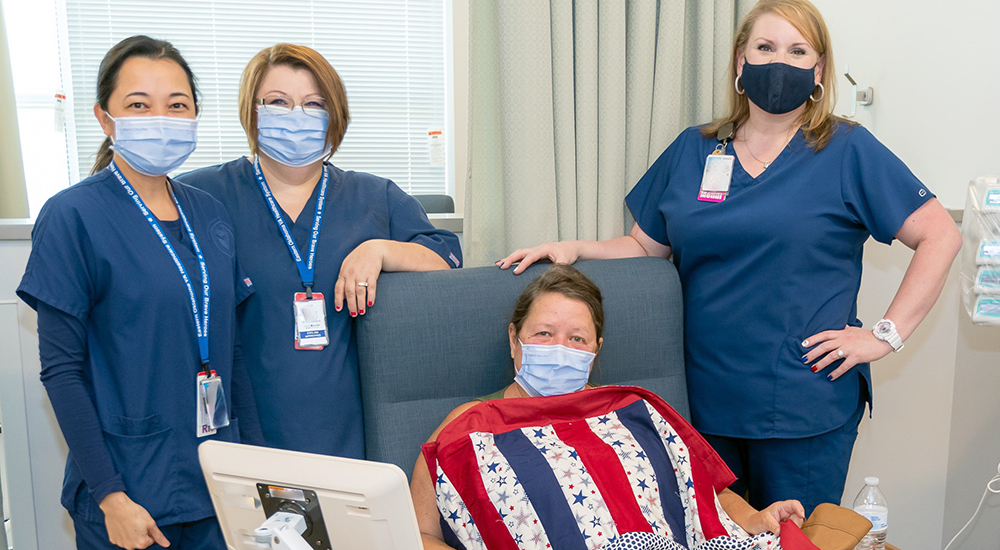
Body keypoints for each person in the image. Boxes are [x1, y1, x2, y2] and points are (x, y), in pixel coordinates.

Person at [497, 0, 962, 516]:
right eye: (764, 48)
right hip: (704, 402)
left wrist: (884, 335)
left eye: (796, 49)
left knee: (793, 540)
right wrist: (576, 249)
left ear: (819, 68)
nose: (778, 61)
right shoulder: (696, 150)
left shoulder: (847, 150)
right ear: (741, 63)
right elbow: (646, 247)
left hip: (803, 404)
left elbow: (941, 234)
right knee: (712, 537)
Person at [17, 36, 256, 550]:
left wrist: (254, 469)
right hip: (129, 492)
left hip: (216, 483)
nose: (161, 119)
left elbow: (231, 351)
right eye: (139, 105)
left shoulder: (210, 214)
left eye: (177, 105)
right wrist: (110, 497)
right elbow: (62, 370)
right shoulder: (73, 216)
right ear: (106, 119)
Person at [176, 44, 462, 459]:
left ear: (334, 116)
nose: (296, 117)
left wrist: (380, 250)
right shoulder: (204, 194)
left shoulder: (371, 196)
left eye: (313, 104)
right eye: (278, 102)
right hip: (243, 428)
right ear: (251, 110)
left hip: (344, 430)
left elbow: (446, 259)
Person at [411, 264, 806, 550]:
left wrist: (757, 519)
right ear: (515, 339)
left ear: (596, 351)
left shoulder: (635, 412)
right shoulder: (468, 425)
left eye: (577, 339)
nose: (560, 349)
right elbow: (415, 532)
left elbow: (703, 491)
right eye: (544, 334)